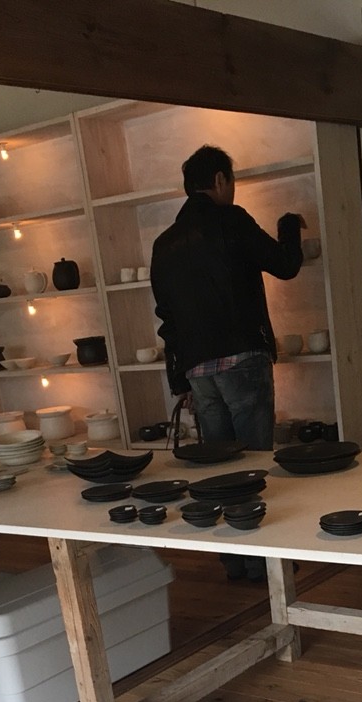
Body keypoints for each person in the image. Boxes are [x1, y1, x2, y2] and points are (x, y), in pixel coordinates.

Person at [150, 144, 304, 582]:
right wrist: (289, 227)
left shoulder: (164, 244)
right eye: (231, 180)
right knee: (252, 464)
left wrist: (179, 380)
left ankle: (233, 560)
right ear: (220, 180)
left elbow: (167, 319)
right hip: (242, 361)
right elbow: (285, 264)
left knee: (217, 468)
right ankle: (262, 564)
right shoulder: (231, 221)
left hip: (198, 372)